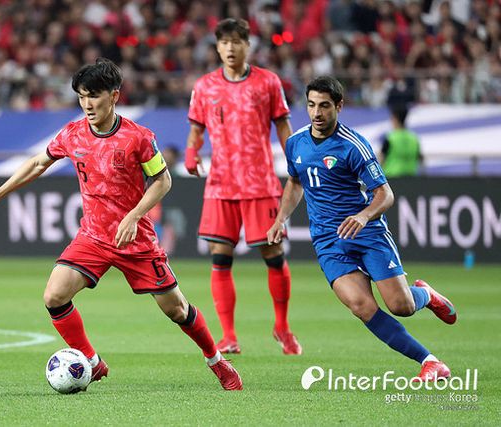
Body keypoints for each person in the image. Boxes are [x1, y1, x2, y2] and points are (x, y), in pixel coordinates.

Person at [0, 58, 243, 391]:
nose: (87, 104)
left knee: (177, 309)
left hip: (135, 240)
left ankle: (217, 361)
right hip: (93, 237)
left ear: (114, 96)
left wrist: (134, 215)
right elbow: (39, 163)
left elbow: (162, 180)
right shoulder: (72, 134)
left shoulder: (138, 137)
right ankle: (92, 362)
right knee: (54, 295)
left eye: (94, 95)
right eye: (82, 96)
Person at [267, 76, 456, 381]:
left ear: (339, 106)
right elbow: (295, 182)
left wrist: (364, 216)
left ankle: (425, 295)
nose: (317, 113)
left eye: (324, 106)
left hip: (366, 233)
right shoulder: (295, 143)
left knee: (401, 305)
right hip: (328, 240)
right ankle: (430, 361)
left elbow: (385, 194)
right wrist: (280, 219)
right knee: (360, 305)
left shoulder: (353, 145)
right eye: (312, 105)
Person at [185, 18, 301, 355]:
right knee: (220, 257)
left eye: (237, 42)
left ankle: (283, 327)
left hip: (259, 181)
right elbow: (196, 129)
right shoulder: (205, 86)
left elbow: (283, 125)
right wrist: (192, 151)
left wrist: (294, 158)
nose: (231, 48)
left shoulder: (268, 82)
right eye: (225, 42)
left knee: (273, 255)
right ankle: (229, 336)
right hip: (220, 183)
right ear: (217, 47)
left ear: (248, 45)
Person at [380, 106, 423, 177]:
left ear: (395, 119)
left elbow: (381, 159)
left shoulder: (390, 138)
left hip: (392, 177)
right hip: (411, 177)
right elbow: (420, 159)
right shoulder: (413, 138)